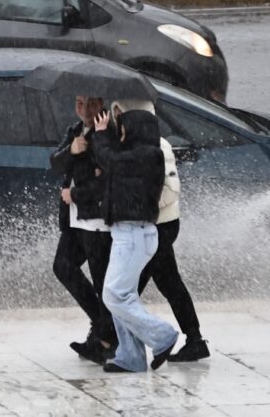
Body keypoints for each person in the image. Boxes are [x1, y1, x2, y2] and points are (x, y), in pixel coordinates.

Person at [112, 100, 209, 362]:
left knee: (128, 287)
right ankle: (194, 338)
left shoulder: (159, 146)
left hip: (160, 226)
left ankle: (117, 339)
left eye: (123, 116)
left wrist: (142, 206)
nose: (119, 121)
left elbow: (171, 188)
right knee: (166, 282)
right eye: (117, 115)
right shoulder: (127, 145)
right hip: (147, 226)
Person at [93, 109, 178, 373]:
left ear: (136, 129)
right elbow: (113, 160)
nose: (121, 133)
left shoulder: (149, 155)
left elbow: (111, 159)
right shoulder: (136, 155)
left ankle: (162, 336)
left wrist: (99, 135)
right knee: (122, 295)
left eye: (123, 128)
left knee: (114, 295)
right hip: (129, 234)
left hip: (134, 234)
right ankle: (131, 357)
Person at [50, 95, 117, 364]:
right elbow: (55, 163)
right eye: (79, 103)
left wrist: (75, 194)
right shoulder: (74, 131)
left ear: (101, 103)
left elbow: (108, 179)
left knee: (103, 283)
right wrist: (72, 151)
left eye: (90, 104)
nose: (85, 110)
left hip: (97, 221)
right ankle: (103, 326)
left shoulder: (108, 133)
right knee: (63, 266)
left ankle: (105, 338)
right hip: (75, 220)